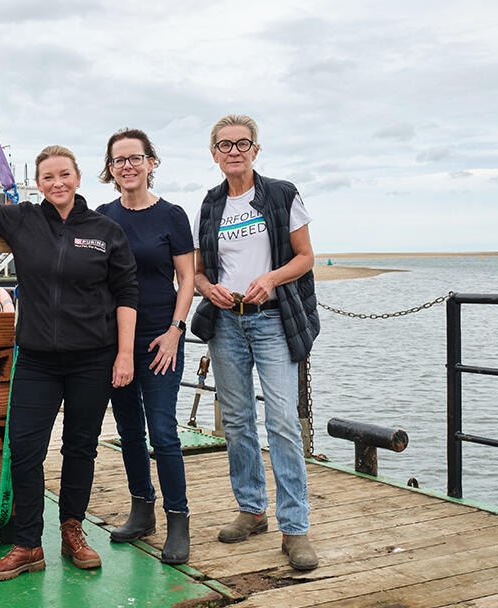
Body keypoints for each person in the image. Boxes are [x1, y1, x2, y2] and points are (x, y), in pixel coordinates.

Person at [0, 145, 138, 581]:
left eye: (64, 174)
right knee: (24, 449)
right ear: (37, 184)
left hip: (93, 358)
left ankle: (73, 530)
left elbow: (127, 294)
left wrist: (125, 354)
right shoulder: (23, 219)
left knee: (80, 446)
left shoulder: (105, 230)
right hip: (37, 358)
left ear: (78, 178)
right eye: (47, 177)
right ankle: (28, 544)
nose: (57, 183)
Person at [189, 114, 321, 571]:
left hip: (271, 320)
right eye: (224, 145)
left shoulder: (282, 194)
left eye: (242, 143)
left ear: (256, 150)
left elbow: (305, 257)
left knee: (282, 419)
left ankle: (295, 529)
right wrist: (209, 290)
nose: (234, 151)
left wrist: (270, 278)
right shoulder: (209, 205)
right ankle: (251, 509)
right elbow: (200, 273)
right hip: (227, 323)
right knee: (239, 421)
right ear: (214, 154)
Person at [95, 129, 195, 564]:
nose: (128, 166)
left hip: (160, 338)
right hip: (117, 340)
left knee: (163, 431)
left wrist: (176, 329)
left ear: (151, 163)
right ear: (110, 169)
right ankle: (142, 510)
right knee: (130, 430)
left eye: (136, 158)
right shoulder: (102, 217)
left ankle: (178, 519)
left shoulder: (172, 215)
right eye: (119, 160)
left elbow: (187, 279)